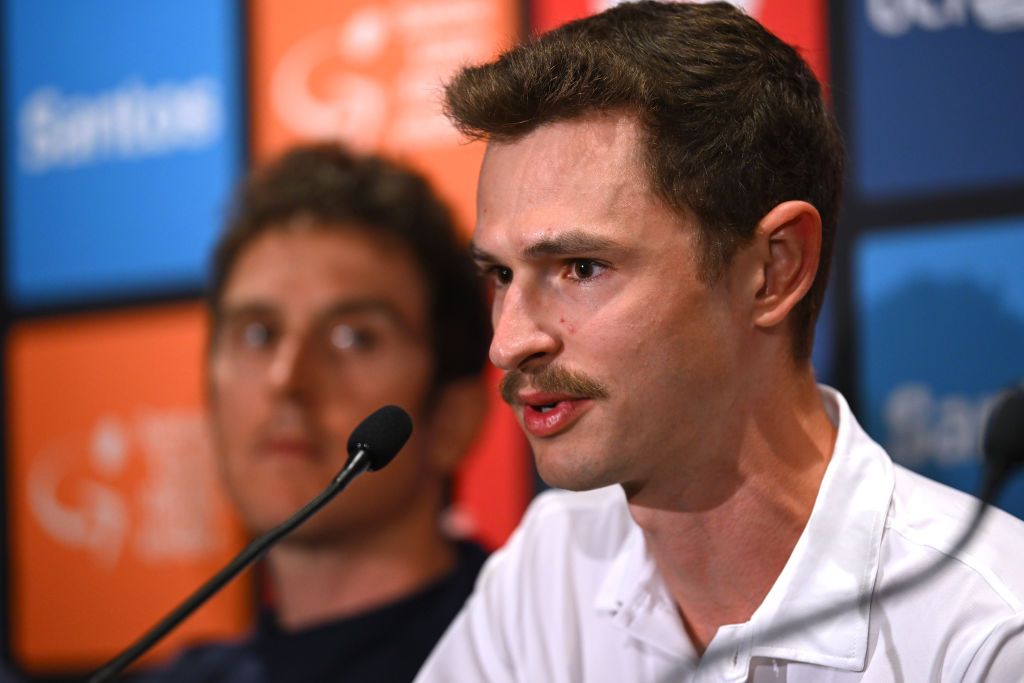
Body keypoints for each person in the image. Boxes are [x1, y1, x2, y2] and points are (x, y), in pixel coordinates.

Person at [415, 2, 1024, 681]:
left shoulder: (987, 633)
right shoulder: (548, 571)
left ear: (773, 269)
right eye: (501, 274)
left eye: (581, 269)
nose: (508, 341)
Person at [147, 142, 492, 682]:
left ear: (453, 417)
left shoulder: (532, 651)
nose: (287, 379)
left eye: (352, 337)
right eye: (257, 334)